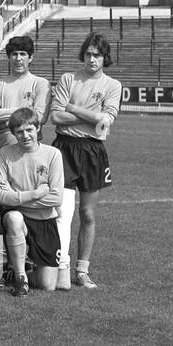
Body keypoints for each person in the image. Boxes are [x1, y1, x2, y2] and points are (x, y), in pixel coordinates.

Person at [50, 32, 121, 291]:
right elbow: (56, 117)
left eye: (98, 55)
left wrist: (74, 109)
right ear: (83, 55)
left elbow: (107, 120)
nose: (92, 59)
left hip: (93, 151)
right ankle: (61, 267)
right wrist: (92, 116)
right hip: (65, 148)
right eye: (89, 54)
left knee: (87, 214)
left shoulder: (113, 86)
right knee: (62, 214)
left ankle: (82, 270)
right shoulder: (69, 78)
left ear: (105, 58)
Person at [0, 107, 65, 296]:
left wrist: (15, 198)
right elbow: (0, 196)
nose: (25, 135)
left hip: (45, 221)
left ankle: (19, 273)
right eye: (19, 132)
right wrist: (35, 194)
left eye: (29, 130)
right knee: (14, 218)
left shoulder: (53, 154)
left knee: (48, 285)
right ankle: (20, 278)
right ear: (13, 133)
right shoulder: (4, 153)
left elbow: (56, 197)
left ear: (38, 128)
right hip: (20, 218)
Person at [0, 35, 51, 148]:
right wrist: (24, 111)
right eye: (14, 54)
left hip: (31, 148)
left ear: (30, 58)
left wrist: (5, 118)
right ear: (9, 57)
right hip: (3, 147)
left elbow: (40, 117)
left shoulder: (41, 83)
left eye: (23, 54)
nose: (18, 58)